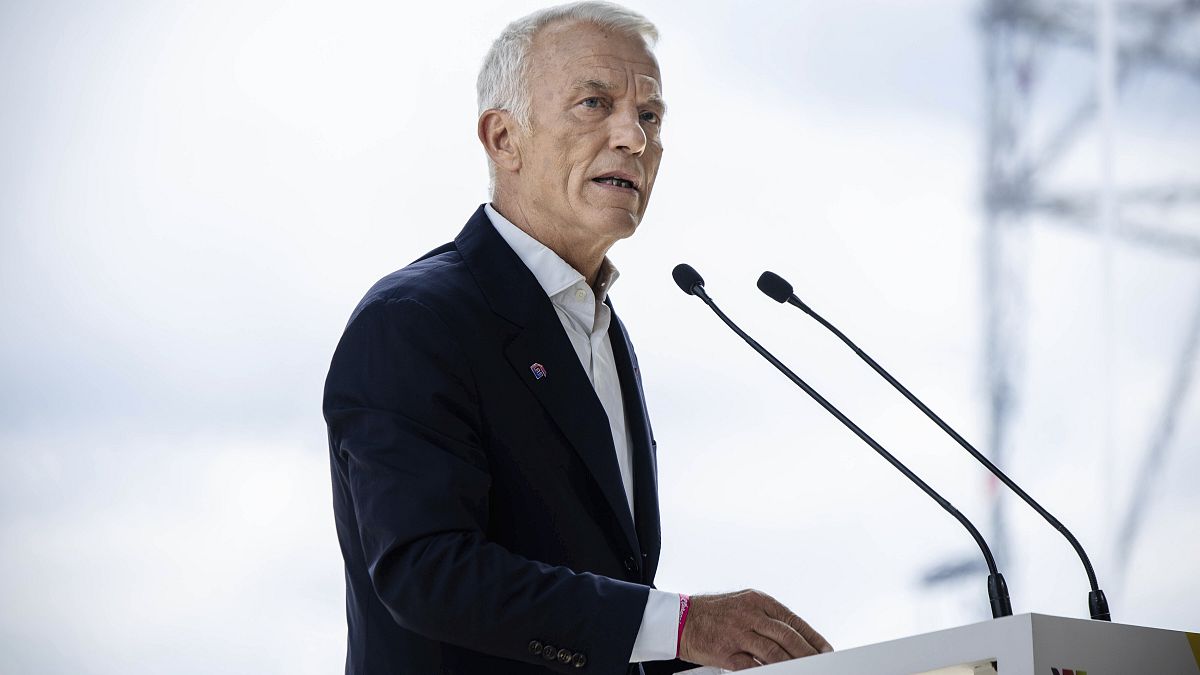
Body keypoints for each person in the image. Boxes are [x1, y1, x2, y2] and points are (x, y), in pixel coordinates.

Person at [322, 3, 832, 673]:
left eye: (650, 116)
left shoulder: (598, 328)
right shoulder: (414, 320)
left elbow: (599, 609)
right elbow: (427, 572)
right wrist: (684, 624)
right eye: (595, 104)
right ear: (504, 138)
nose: (633, 138)